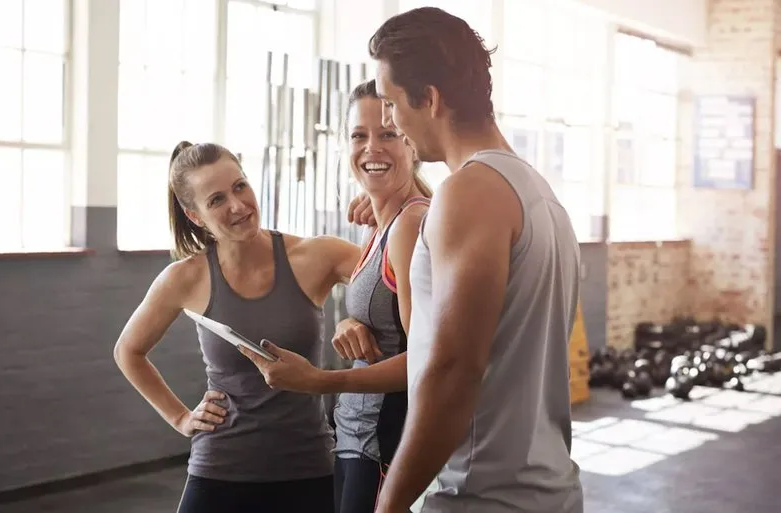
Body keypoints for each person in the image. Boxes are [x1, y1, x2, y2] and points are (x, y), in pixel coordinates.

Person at [355, 7, 583, 513]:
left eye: (391, 105)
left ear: (430, 99)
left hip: (478, 498)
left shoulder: (467, 193)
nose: (391, 122)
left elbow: (452, 369)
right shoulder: (538, 195)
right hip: (542, 492)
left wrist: (390, 503)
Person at [112, 141, 367, 513]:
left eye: (240, 186)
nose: (237, 205)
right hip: (220, 466)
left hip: (308, 465)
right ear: (194, 215)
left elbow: (393, 284)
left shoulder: (316, 256)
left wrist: (353, 316)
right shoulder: (185, 278)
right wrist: (181, 417)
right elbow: (128, 351)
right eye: (216, 200)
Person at [239, 79, 431, 513]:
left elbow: (427, 362)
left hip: (384, 442)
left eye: (388, 134)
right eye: (359, 136)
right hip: (355, 437)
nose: (371, 148)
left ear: (413, 144)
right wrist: (350, 322)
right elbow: (386, 312)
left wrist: (320, 381)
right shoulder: (382, 224)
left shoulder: (408, 226)